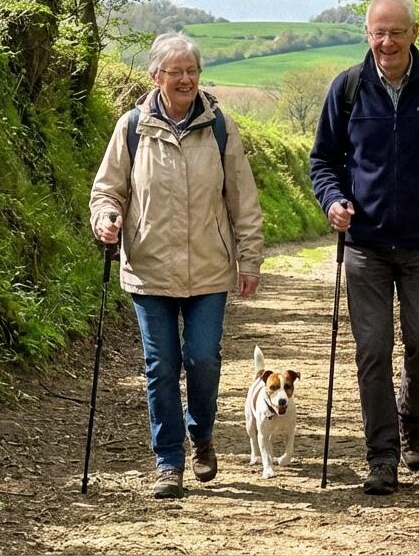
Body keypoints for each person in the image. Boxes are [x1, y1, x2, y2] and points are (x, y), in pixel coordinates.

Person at [309, 0, 419, 495]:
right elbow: (323, 161)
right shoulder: (347, 89)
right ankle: (381, 455)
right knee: (372, 351)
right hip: (365, 245)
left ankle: (410, 413)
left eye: (396, 32)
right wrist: (333, 200)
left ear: (414, 33)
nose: (387, 41)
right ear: (367, 34)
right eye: (378, 32)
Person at [90, 32, 264, 499]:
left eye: (192, 71)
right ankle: (168, 461)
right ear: (156, 77)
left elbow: (242, 199)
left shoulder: (220, 127)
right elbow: (108, 190)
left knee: (203, 360)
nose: (186, 79)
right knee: (161, 365)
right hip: (149, 269)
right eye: (176, 71)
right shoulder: (132, 127)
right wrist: (106, 218)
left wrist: (250, 258)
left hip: (209, 268)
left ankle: (201, 434)